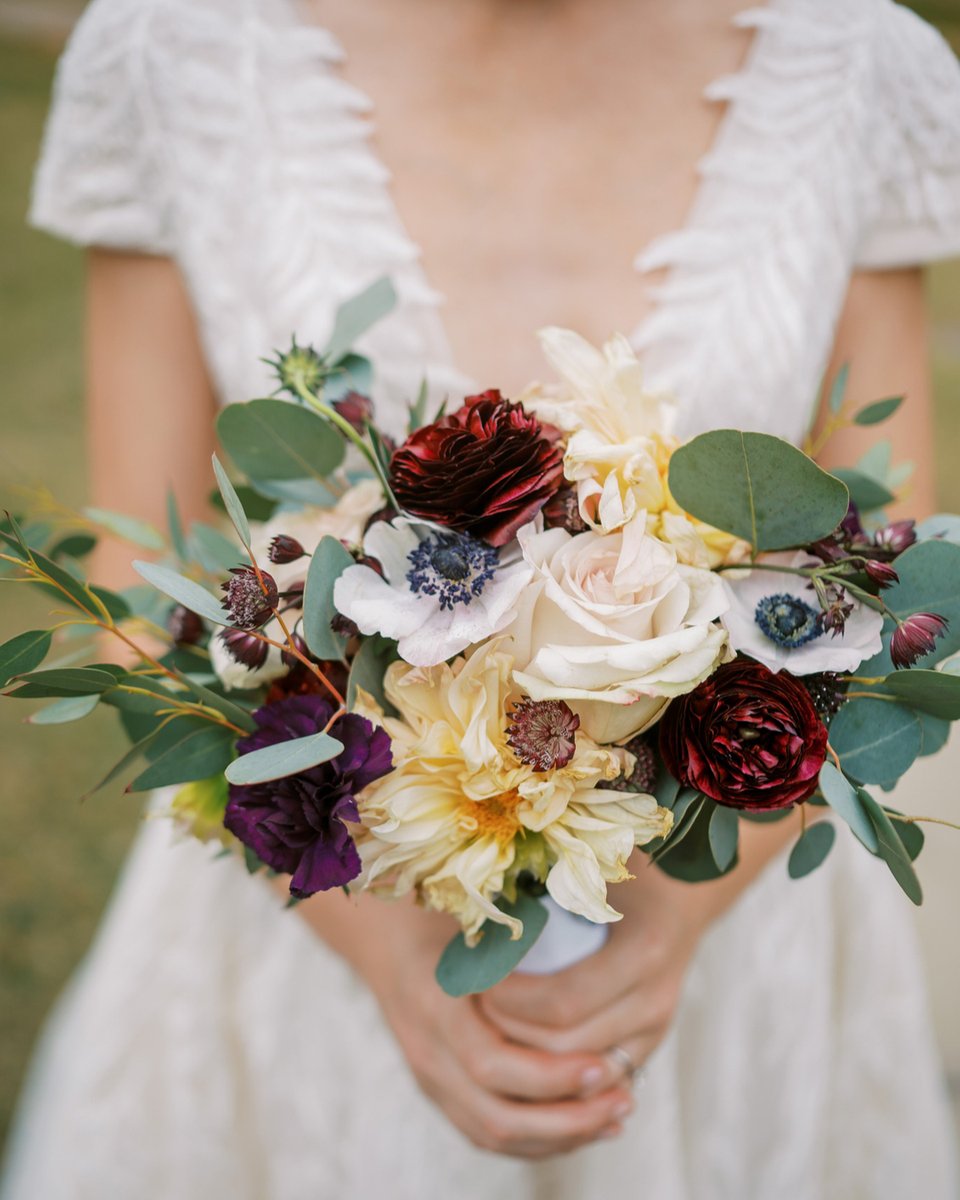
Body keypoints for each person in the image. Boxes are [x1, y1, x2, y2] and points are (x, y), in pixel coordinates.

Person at [2, 0, 960, 1194]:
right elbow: (139, 598)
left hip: (729, 922)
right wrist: (394, 959)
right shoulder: (170, 49)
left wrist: (676, 927)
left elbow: (888, 583)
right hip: (327, 913)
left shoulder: (861, 65)